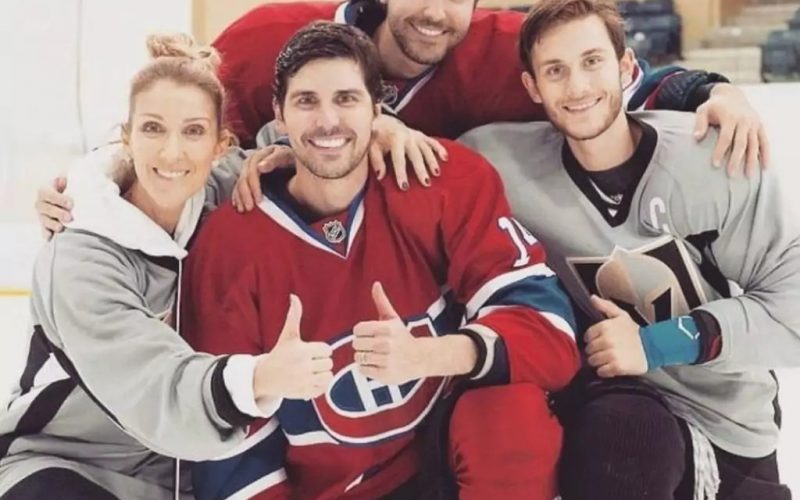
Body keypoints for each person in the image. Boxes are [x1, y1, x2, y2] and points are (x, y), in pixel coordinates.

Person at [179, 22, 579, 500]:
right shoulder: (228, 245)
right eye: (306, 102)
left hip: (445, 458)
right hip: (334, 489)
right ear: (279, 115)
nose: (328, 121)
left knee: (511, 414)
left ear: (377, 108)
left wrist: (428, 355)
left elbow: (550, 334)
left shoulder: (442, 179)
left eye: (346, 99)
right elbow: (228, 451)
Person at [34, 0, 770, 231]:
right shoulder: (270, 38)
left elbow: (610, 92)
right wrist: (97, 181)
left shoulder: (500, 50)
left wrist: (710, 90)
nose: (435, 12)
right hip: (278, 281)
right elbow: (172, 131)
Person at [458, 1, 798, 498]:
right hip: (619, 409)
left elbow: (792, 308)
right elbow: (423, 168)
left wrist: (655, 345)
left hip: (727, 416)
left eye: (592, 61)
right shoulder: (500, 162)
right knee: (623, 435)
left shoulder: (713, 157)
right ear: (532, 87)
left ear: (625, 66)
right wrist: (386, 130)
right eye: (556, 71)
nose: (577, 87)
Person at [0, 34, 297, 500]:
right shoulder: (80, 256)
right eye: (153, 128)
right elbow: (155, 389)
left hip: (179, 475)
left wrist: (380, 131)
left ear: (220, 145)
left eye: (193, 132)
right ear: (126, 138)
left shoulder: (220, 193)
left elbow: (313, 145)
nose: (171, 153)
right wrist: (258, 379)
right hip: (66, 462)